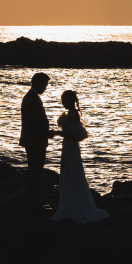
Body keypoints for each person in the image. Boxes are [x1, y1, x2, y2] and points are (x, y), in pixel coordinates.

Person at [51, 90, 109, 223]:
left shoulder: (73, 114)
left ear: (68, 101)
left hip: (71, 146)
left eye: (63, 100)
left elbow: (74, 135)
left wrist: (58, 133)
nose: (62, 103)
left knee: (72, 172)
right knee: (70, 172)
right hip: (69, 146)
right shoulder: (73, 113)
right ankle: (70, 202)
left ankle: (73, 205)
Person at [19, 72, 58, 212]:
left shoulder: (30, 97)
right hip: (35, 141)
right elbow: (36, 123)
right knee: (35, 170)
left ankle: (31, 199)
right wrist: (49, 133)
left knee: (33, 170)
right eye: (45, 85)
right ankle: (32, 201)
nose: (46, 88)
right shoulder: (33, 99)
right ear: (39, 83)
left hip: (32, 140)